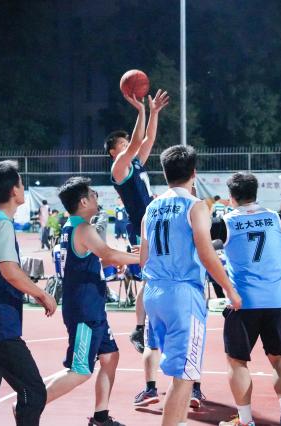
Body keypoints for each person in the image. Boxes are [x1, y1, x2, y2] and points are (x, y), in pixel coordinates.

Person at [140, 145, 242, 426]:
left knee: (180, 369)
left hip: (154, 292)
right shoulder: (195, 206)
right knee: (185, 375)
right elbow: (207, 253)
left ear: (165, 173)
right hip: (182, 294)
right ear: (194, 173)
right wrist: (230, 289)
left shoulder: (151, 208)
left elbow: (143, 258)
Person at [210, 173, 281, 426]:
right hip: (278, 301)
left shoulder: (225, 222)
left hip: (243, 302)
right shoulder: (276, 218)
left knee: (237, 361)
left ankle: (246, 420)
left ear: (231, 196)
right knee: (280, 359)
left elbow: (202, 243)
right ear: (256, 193)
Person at [0, 160, 57, 426]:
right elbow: (10, 271)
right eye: (21, 183)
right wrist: (42, 294)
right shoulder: (1, 225)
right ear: (14, 190)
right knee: (33, 392)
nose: (23, 188)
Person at [45, 176, 139, 426]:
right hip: (84, 311)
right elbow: (107, 254)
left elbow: (101, 258)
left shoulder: (72, 227)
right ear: (84, 201)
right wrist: (143, 258)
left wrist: (123, 258)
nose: (97, 197)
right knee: (80, 371)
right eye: (93, 194)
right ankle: (29, 403)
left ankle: (100, 417)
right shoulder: (83, 229)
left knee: (110, 357)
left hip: (91, 307)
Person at [104, 88, 169, 401]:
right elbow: (136, 144)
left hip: (153, 226)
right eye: (123, 144)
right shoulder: (119, 169)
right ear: (113, 151)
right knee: (148, 277)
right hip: (139, 229)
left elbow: (148, 140)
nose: (129, 144)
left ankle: (143, 326)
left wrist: (153, 113)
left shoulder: (136, 164)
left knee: (153, 277)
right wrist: (141, 110)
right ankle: (140, 328)